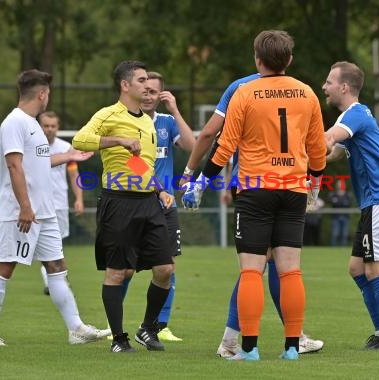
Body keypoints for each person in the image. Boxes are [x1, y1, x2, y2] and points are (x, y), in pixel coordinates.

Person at [182, 30, 327, 361]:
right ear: (289, 60)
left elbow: (224, 146)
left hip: (254, 190)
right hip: (292, 189)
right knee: (290, 270)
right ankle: (292, 347)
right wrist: (314, 184)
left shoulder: (244, 93)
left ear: (257, 60)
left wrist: (201, 182)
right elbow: (317, 149)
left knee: (251, 271)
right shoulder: (307, 94)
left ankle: (249, 348)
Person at [0, 69, 109, 346]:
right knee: (5, 267)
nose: (48, 96)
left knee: (56, 266)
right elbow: (14, 165)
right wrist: (25, 207)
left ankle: (76, 329)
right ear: (41, 94)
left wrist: (68, 155)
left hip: (45, 213)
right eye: (47, 92)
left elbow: (37, 163)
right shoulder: (14, 122)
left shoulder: (33, 124)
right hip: (20, 213)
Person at [72, 60, 175, 353]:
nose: (147, 86)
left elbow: (137, 162)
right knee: (117, 272)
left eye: (148, 81)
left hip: (149, 203)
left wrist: (159, 188)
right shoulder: (108, 114)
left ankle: (147, 328)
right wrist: (116, 139)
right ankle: (119, 339)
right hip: (118, 203)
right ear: (125, 85)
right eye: (142, 80)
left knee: (165, 268)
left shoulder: (146, 120)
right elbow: (80, 140)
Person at [324, 61, 379, 350]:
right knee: (357, 269)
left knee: (375, 271)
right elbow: (333, 152)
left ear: (344, 87)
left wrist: (299, 143)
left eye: (329, 82)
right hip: (373, 203)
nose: (324, 87)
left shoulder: (355, 114)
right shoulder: (353, 117)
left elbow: (330, 139)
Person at [116, 71, 194, 342]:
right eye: (145, 90)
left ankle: (159, 325)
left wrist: (175, 110)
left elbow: (192, 146)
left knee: (167, 266)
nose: (148, 96)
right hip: (136, 202)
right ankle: (115, 325)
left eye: (154, 92)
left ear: (162, 95)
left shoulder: (167, 122)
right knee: (124, 268)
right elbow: (129, 162)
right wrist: (154, 187)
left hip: (166, 205)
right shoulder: (125, 121)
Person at [38, 111, 87, 295]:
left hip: (58, 203)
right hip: (36, 203)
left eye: (53, 126)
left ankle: (55, 280)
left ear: (58, 127)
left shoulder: (66, 147)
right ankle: (54, 281)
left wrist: (79, 199)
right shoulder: (33, 146)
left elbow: (74, 175)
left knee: (56, 244)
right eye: (46, 125)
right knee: (44, 245)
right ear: (40, 126)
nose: (49, 129)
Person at [328, 180, 351, 246]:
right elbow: (332, 202)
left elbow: (348, 204)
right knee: (335, 234)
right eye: (339, 184)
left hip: (345, 217)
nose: (340, 186)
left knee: (344, 234)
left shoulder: (348, 195)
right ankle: (332, 249)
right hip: (336, 217)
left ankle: (343, 249)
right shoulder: (333, 195)